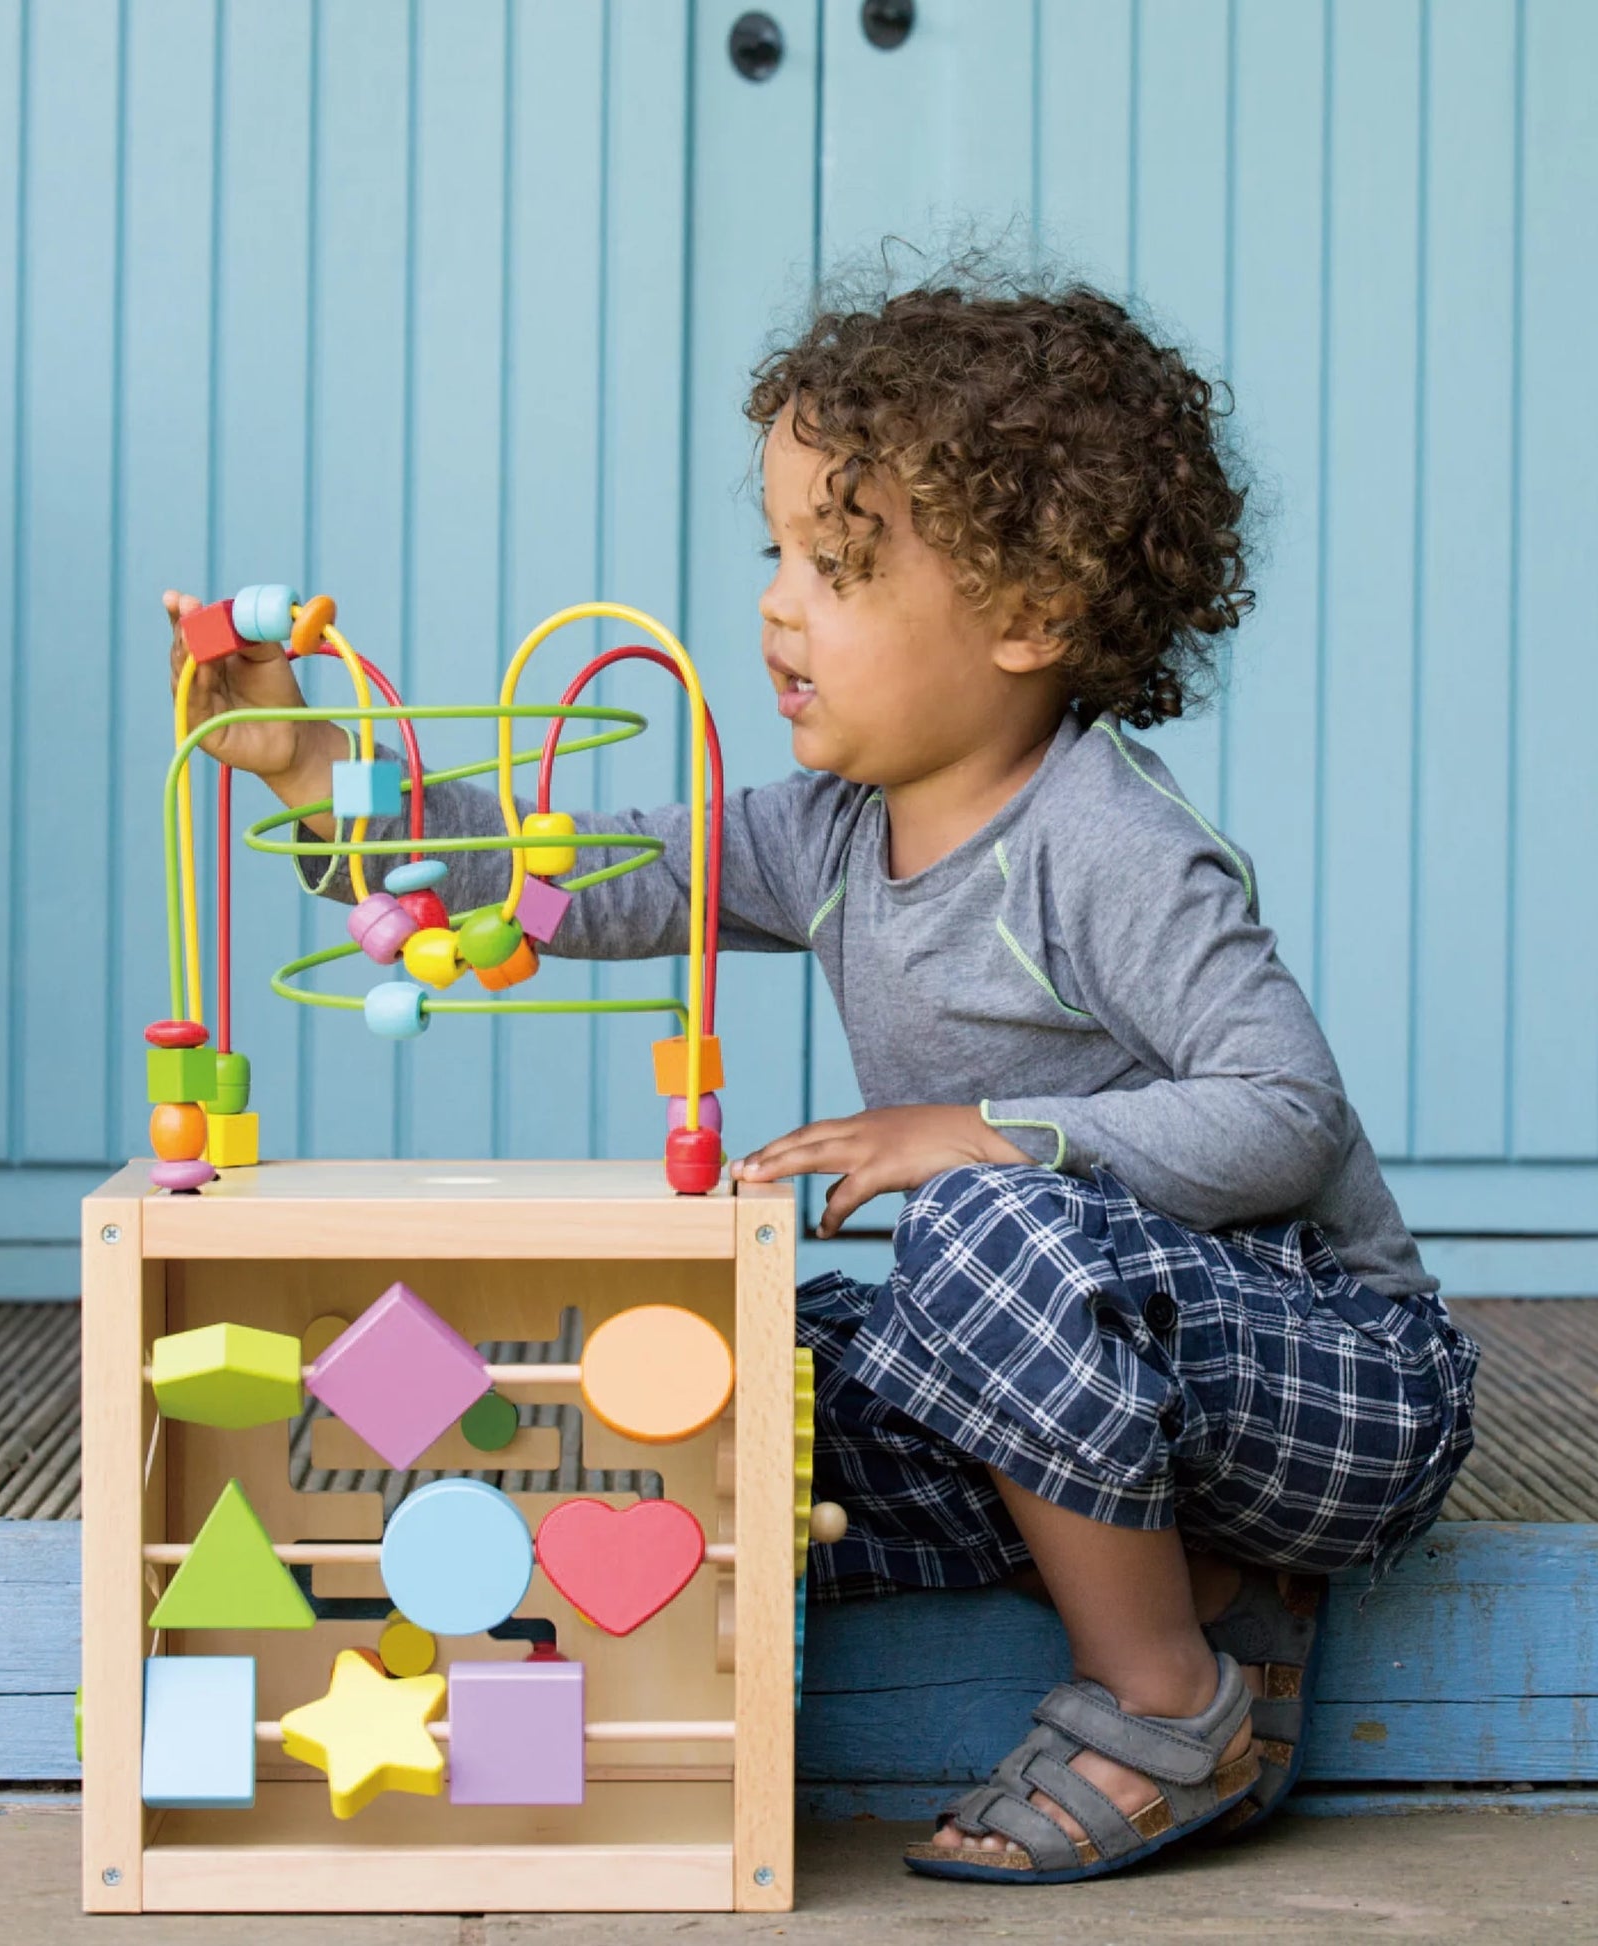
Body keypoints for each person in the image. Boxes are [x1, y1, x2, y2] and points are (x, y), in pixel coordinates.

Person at [166, 268, 1477, 1886]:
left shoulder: (1109, 845)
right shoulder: (830, 828)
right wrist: (311, 766)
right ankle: (1214, 1590)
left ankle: (1166, 1698)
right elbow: (577, 872)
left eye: (839, 568)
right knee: (743, 1366)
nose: (780, 605)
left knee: (981, 1238)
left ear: (1029, 616)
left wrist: (978, 1135)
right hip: (1105, 1390)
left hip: (1338, 1377)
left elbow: (1287, 1117)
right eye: (777, 554)